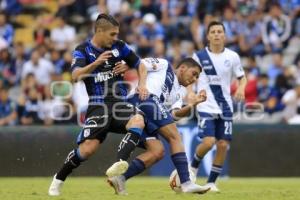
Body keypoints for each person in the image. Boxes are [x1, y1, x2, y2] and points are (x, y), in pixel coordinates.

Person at [48, 13, 149, 196]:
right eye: (112, 34)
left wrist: (141, 83)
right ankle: (59, 179)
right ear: (99, 31)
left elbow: (141, 65)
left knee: (138, 120)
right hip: (98, 104)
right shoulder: (83, 50)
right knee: (87, 149)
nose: (115, 38)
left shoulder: (120, 47)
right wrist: (96, 63)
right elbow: (76, 76)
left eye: (117, 34)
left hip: (119, 103)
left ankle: (118, 168)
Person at [107, 57, 210, 195]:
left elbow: (174, 115)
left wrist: (193, 105)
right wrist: (141, 83)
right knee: (175, 137)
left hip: (149, 114)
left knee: (157, 151)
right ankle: (186, 182)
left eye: (197, 77)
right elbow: (141, 63)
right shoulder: (165, 65)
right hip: (143, 99)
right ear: (183, 68)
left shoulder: (180, 92)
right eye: (194, 73)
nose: (195, 79)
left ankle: (120, 179)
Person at [189, 21, 247, 192]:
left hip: (225, 107)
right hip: (205, 105)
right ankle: (192, 169)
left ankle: (211, 182)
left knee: (222, 145)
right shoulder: (199, 56)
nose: (216, 34)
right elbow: (188, 77)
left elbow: (242, 77)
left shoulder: (232, 57)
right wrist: (191, 92)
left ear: (224, 35)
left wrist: (242, 88)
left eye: (219, 31)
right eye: (213, 31)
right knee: (208, 142)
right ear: (207, 36)